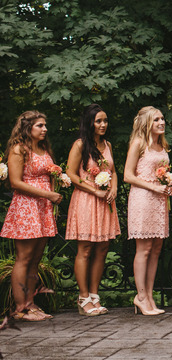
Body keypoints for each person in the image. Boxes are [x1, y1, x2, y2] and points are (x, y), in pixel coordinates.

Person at [1, 111, 62, 321]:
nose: (45, 129)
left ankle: (31, 303)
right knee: (24, 258)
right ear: (28, 128)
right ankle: (20, 308)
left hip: (43, 207)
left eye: (45, 125)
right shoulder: (19, 149)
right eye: (40, 126)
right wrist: (48, 194)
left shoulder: (43, 149)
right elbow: (16, 182)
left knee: (35, 259)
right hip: (27, 207)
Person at [66, 104, 120, 316]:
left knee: (102, 248)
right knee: (86, 248)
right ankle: (83, 297)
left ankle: (96, 295)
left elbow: (113, 171)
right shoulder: (80, 145)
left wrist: (113, 187)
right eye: (98, 121)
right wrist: (93, 191)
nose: (103, 124)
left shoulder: (107, 144)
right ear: (89, 122)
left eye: (105, 120)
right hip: (87, 200)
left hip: (106, 200)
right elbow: (70, 173)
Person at [123, 106, 172, 316]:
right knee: (143, 249)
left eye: (162, 119)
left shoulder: (162, 146)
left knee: (155, 249)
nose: (161, 123)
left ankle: (150, 296)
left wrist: (167, 184)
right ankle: (141, 296)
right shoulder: (138, 144)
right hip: (143, 198)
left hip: (160, 200)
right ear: (146, 123)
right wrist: (153, 186)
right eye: (156, 120)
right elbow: (127, 175)